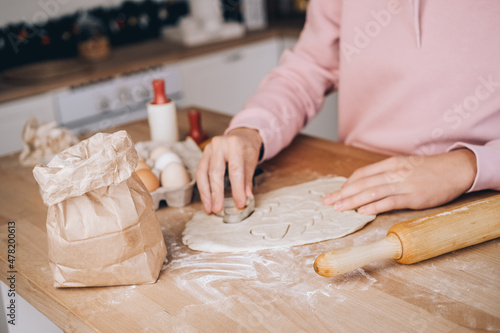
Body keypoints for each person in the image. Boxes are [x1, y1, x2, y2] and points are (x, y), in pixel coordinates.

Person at [196, 0, 500, 216]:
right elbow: (309, 68)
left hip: (480, 195)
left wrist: (470, 166)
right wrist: (251, 130)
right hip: (361, 181)